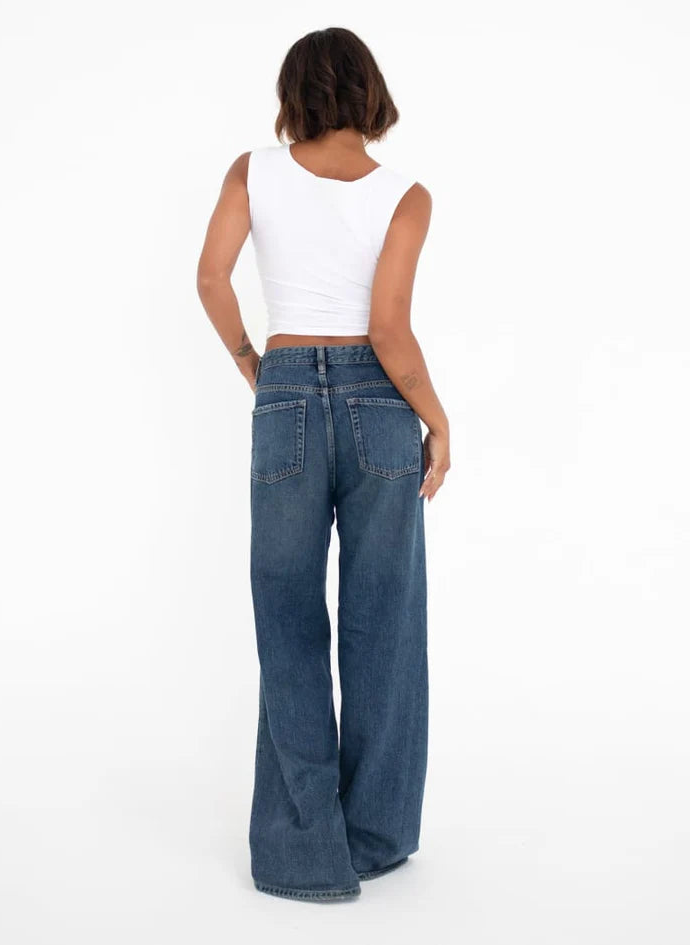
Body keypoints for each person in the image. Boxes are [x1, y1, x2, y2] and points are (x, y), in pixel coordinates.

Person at [196, 26, 451, 902]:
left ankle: (303, 851)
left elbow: (211, 278)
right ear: (370, 92)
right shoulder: (405, 196)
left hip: (286, 400)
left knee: (288, 620)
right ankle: (374, 836)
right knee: (385, 620)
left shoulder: (253, 173)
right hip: (381, 404)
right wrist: (437, 419)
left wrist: (253, 362)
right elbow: (389, 330)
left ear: (293, 92)